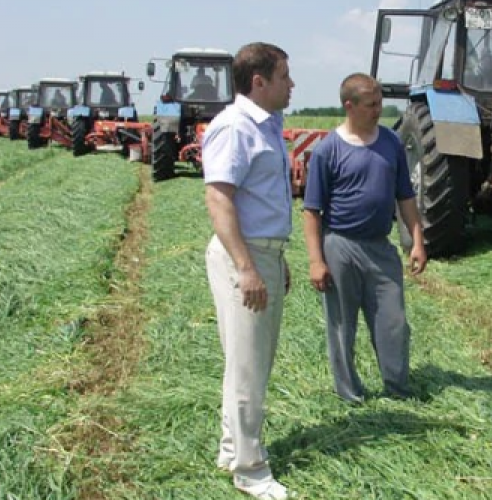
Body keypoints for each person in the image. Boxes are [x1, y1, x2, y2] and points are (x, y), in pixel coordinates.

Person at [202, 42, 294, 500]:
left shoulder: (268, 126)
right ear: (259, 81)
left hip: (265, 254)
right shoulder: (235, 127)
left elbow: (262, 201)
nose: (292, 85)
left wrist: (278, 258)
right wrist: (248, 268)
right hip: (246, 258)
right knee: (249, 369)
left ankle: (229, 449)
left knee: (246, 365)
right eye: (285, 77)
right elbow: (218, 199)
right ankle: (251, 469)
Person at [302, 72, 427, 404]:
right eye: (371, 105)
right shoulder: (328, 150)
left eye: (380, 103)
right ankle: (349, 393)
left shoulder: (391, 143)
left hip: (380, 247)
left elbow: (406, 197)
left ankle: (398, 388)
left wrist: (417, 240)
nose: (378, 110)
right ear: (350, 105)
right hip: (339, 244)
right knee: (342, 325)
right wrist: (316, 261)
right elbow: (312, 210)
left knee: (393, 321)